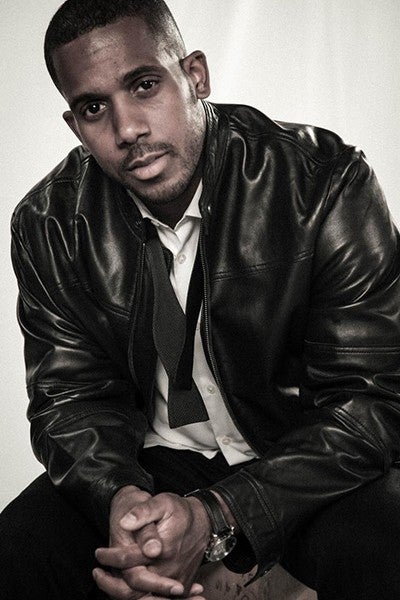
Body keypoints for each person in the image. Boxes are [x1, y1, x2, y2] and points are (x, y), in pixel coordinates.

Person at [2, 0, 400, 598]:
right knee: (15, 553)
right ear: (74, 125)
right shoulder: (50, 223)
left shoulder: (323, 181)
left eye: (144, 85)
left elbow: (372, 400)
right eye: (93, 108)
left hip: (299, 457)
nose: (127, 130)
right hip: (157, 460)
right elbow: (70, 400)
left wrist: (219, 515)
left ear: (195, 76)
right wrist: (121, 501)